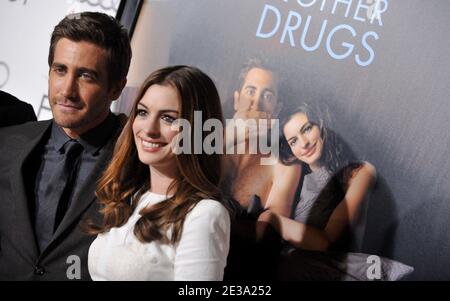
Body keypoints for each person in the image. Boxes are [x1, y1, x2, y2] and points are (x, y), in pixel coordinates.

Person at [0, 12, 131, 280]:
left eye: (86, 76)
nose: (67, 90)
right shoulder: (7, 142)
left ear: (116, 88)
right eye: (60, 70)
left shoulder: (138, 160)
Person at [87, 65, 231, 281]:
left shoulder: (204, 215)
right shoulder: (130, 197)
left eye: (169, 118)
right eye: (143, 112)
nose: (149, 129)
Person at [257, 102, 377, 252]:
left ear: (321, 125)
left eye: (307, 129)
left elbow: (325, 242)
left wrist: (272, 219)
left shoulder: (361, 172)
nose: (304, 144)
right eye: (293, 141)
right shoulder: (298, 177)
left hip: (333, 266)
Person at [222, 58, 301, 280]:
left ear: (277, 109)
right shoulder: (208, 142)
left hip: (239, 268)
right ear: (237, 100)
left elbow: (268, 235)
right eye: (250, 91)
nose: (255, 104)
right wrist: (231, 137)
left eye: (267, 96)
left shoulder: (284, 166)